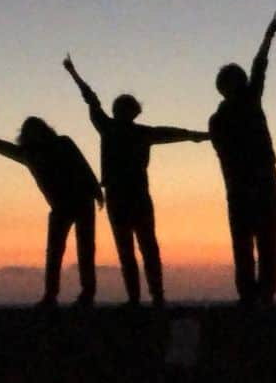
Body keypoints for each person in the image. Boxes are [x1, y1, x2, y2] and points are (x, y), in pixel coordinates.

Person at [63, 55, 209, 308]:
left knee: (137, 248)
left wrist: (203, 135)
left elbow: (177, 134)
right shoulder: (132, 131)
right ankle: (150, 297)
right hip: (128, 195)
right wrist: (74, 74)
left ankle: (147, 297)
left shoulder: (121, 130)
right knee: (140, 248)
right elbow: (178, 134)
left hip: (129, 195)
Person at [0, 117, 103, 308]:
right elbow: (1, 147)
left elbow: (83, 166)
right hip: (60, 208)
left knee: (85, 250)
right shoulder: (28, 153)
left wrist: (96, 192)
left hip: (82, 202)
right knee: (54, 252)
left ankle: (86, 294)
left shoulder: (62, 143)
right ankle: (51, 296)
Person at [209, 12, 276, 306]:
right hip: (257, 183)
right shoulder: (245, 105)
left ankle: (253, 294)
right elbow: (259, 68)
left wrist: (268, 37)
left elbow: (258, 67)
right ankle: (261, 294)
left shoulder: (218, 119)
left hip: (242, 186)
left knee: (249, 242)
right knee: (264, 240)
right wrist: (268, 37)